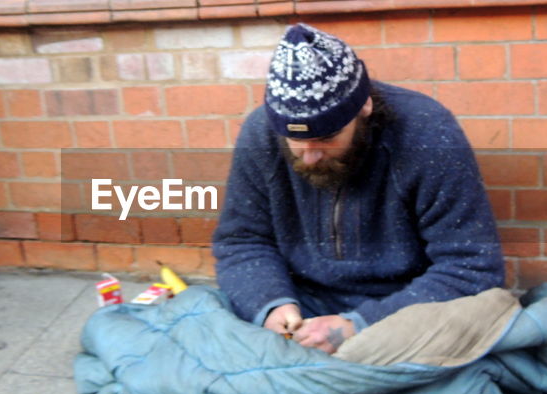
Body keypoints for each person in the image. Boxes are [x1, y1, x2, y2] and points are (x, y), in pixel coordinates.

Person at [212, 23, 505, 354]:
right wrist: (270, 305)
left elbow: (472, 267)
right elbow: (242, 242)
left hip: (407, 311)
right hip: (301, 304)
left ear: (364, 107)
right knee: (198, 325)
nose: (310, 157)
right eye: (296, 141)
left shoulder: (429, 134)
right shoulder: (261, 134)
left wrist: (357, 325)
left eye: (326, 138)